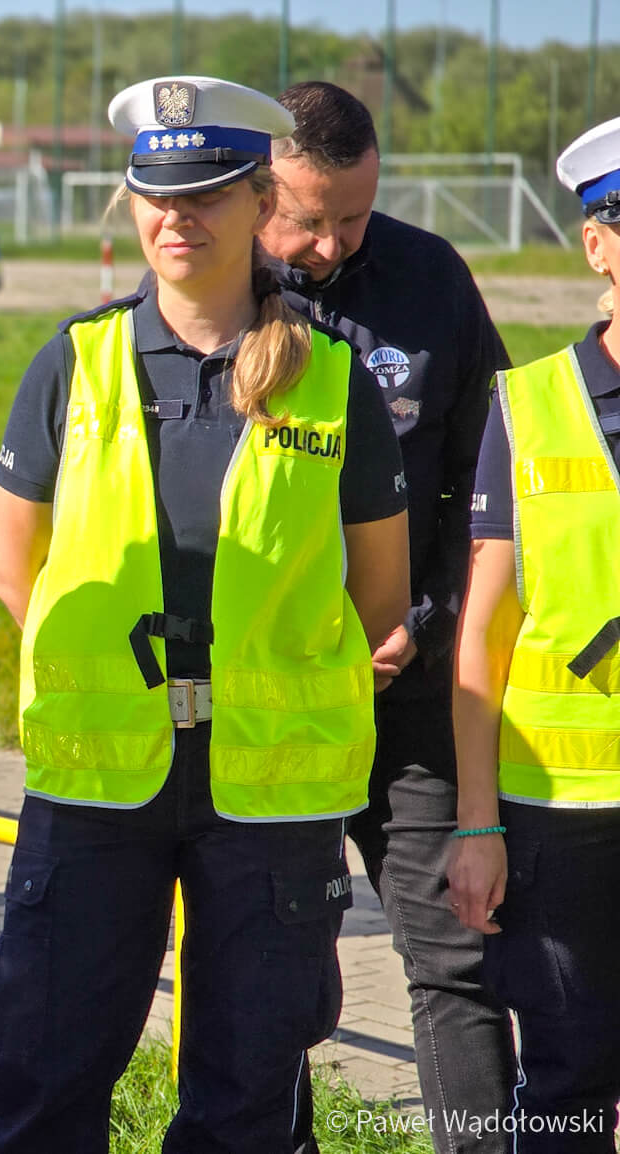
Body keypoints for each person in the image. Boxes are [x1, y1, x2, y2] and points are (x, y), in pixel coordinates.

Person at [0, 76, 411, 1153]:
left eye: (207, 192)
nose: (178, 217)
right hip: (97, 781)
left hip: (269, 792)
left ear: (261, 200)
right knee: (38, 1079)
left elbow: (378, 595)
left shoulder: (333, 380)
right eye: (156, 194)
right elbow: (15, 569)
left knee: (244, 1100)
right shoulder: (71, 363)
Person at [260, 81, 514, 1154]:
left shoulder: (429, 278)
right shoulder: (216, 291)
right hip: (266, 703)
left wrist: (426, 615)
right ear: (256, 190)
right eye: (306, 219)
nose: (329, 245)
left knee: (455, 957)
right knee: (266, 964)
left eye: (353, 217)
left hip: (404, 692)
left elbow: (486, 481)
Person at [446, 117, 620, 1154]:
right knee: (566, 1074)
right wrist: (476, 828)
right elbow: (482, 633)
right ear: (596, 245)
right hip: (560, 812)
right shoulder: (528, 406)